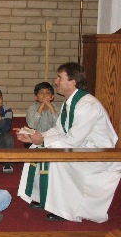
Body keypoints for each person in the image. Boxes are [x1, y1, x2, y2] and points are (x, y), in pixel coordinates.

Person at [16, 62, 121, 223]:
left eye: (60, 77)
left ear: (73, 82)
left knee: (58, 159)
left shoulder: (88, 105)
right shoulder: (69, 102)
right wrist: (34, 137)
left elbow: (73, 140)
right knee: (36, 147)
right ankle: (41, 196)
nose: (55, 81)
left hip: (98, 154)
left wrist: (44, 140)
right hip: (82, 147)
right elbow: (59, 130)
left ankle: (65, 209)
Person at [24, 82, 59, 148]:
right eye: (41, 93)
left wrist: (51, 107)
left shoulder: (57, 109)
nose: (45, 95)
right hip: (36, 138)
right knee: (28, 142)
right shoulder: (32, 108)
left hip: (52, 138)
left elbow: (59, 125)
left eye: (47, 93)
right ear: (36, 97)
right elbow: (31, 125)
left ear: (52, 97)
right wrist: (41, 106)